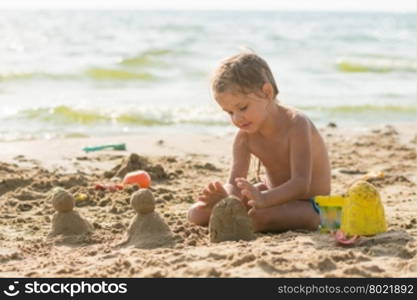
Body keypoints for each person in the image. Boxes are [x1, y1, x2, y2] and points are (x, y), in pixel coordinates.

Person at [187, 51, 331, 232]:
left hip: (310, 203)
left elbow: (301, 184)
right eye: (230, 112)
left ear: (267, 92)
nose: (237, 119)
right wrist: (226, 198)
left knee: (259, 218)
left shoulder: (296, 124)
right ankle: (235, 215)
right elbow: (234, 182)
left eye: (242, 108)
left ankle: (318, 217)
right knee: (196, 213)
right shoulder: (244, 136)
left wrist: (264, 200)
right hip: (269, 195)